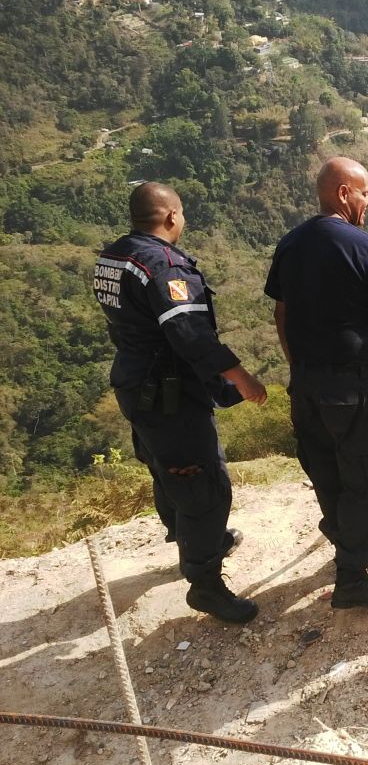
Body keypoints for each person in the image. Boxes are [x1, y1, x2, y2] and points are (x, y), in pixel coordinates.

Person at [265, 157, 368, 608]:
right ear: (344, 193)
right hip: (350, 387)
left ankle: (344, 543)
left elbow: (281, 314)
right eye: (366, 191)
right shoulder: (362, 246)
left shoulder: (290, 243)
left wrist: (297, 367)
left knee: (327, 470)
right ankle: (353, 577)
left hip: (304, 386)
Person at [95, 182, 267, 623]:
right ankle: (205, 584)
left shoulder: (113, 257)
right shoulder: (163, 265)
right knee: (203, 484)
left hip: (137, 386)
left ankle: (191, 538)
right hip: (169, 395)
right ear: (171, 216)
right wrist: (243, 380)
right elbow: (191, 335)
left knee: (164, 466)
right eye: (182, 214)